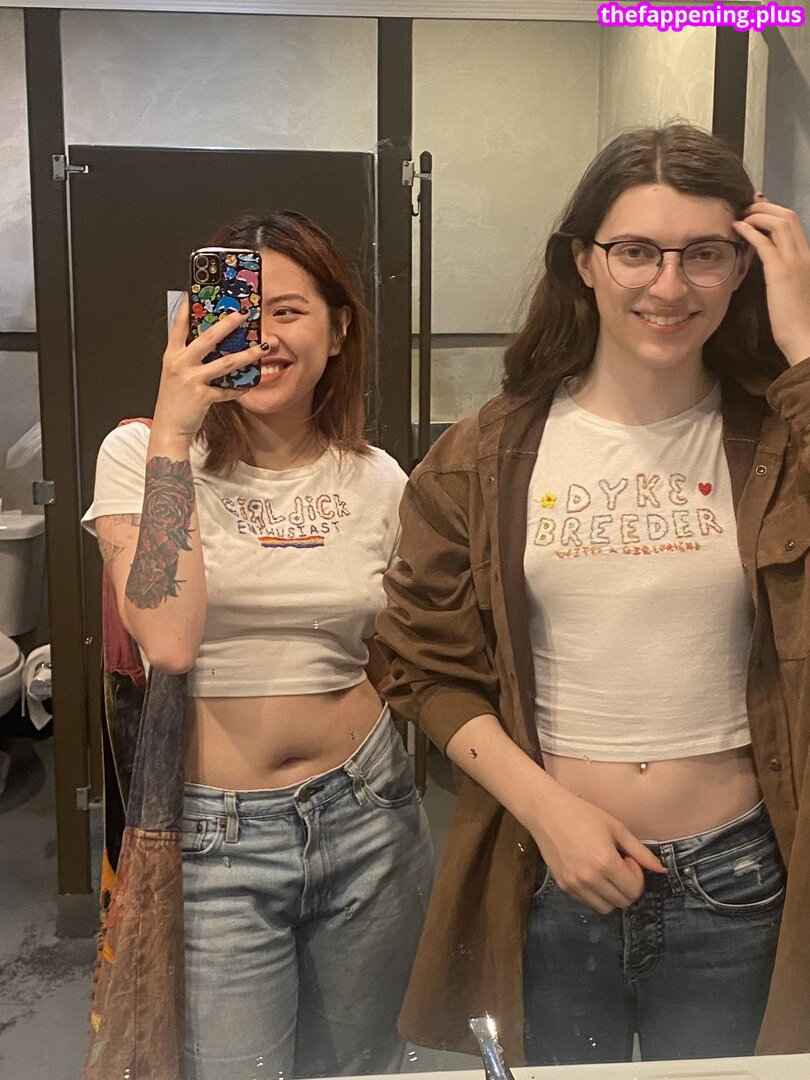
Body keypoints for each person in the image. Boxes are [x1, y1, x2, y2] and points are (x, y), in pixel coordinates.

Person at [376, 124, 810, 1066]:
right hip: (550, 870)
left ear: (745, 266)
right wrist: (547, 811)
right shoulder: (485, 454)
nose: (669, 286)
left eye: (705, 254)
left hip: (741, 876)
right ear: (583, 260)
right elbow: (421, 668)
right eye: (636, 251)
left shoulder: (780, 445)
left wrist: (804, 347)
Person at [82, 210, 433, 1080]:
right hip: (216, 833)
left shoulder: (378, 476)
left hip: (371, 810)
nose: (263, 336)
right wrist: (174, 430)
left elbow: (389, 650)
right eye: (241, 311)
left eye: (289, 311)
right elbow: (167, 638)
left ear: (339, 331)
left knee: (362, 1066)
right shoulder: (139, 453)